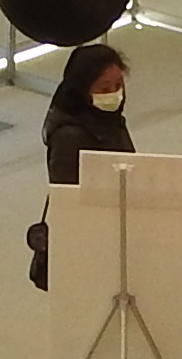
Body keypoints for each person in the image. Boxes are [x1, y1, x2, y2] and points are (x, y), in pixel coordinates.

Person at [28, 41, 131, 290]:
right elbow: (68, 200)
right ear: (83, 90)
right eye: (104, 88)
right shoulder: (69, 137)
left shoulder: (108, 120)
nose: (114, 93)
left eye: (118, 85)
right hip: (89, 242)